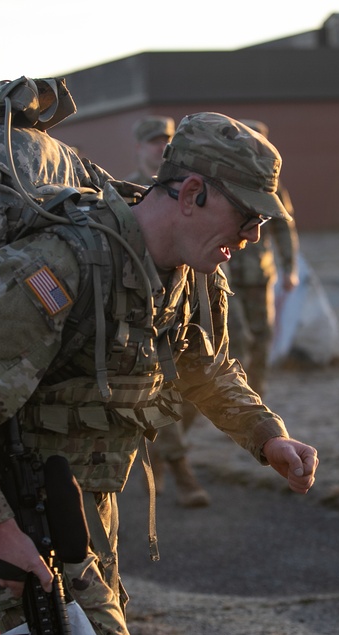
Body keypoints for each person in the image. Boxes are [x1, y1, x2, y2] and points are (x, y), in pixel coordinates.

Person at [0, 112, 319, 635]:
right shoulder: (62, 265)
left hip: (89, 511)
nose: (253, 237)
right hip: (25, 517)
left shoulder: (190, 273)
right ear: (192, 193)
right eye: (246, 216)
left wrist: (268, 437)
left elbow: (207, 368)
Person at [123, 114, 212, 508]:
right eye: (154, 141)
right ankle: (182, 471)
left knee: (192, 383)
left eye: (168, 140)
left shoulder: (189, 191)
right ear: (140, 147)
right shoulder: (124, 191)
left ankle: (159, 451)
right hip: (137, 308)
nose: (162, 147)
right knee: (159, 385)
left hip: (181, 304)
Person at [228, 119, 300, 397]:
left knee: (262, 339)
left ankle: (255, 399)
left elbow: (284, 228)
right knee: (236, 341)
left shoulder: (272, 185)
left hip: (259, 274)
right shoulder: (226, 179)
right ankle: (235, 402)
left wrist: (289, 268)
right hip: (228, 277)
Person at [123, 115, 174, 185]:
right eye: (155, 142)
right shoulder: (128, 188)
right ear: (139, 147)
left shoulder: (180, 183)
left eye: (166, 142)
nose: (162, 148)